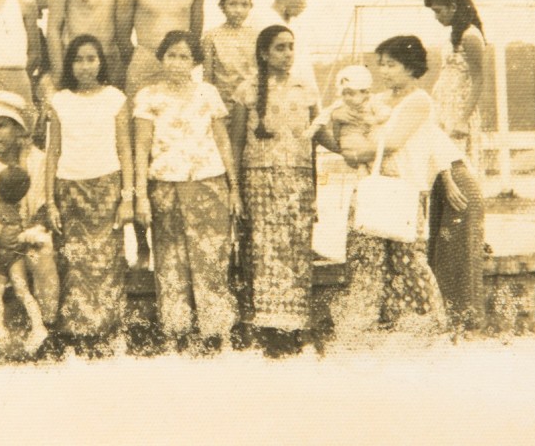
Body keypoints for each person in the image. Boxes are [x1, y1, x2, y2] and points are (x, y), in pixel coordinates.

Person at [332, 35, 456, 338]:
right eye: (381, 65)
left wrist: (360, 149)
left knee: (407, 259)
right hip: (373, 186)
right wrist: (344, 129)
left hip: (403, 188)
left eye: (392, 65)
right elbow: (346, 134)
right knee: (366, 258)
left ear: (411, 67)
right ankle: (368, 324)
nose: (384, 71)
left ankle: (422, 323)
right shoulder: (377, 100)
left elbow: (392, 142)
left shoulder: (419, 101)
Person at [133, 31, 238, 353]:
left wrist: (234, 188)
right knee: (170, 262)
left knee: (211, 260)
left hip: (208, 184)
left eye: (185, 57)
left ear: (195, 62)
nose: (178, 63)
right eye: (172, 56)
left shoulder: (207, 93)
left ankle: (216, 335)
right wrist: (139, 195)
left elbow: (222, 141)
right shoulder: (148, 95)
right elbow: (141, 146)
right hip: (165, 186)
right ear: (162, 58)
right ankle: (175, 335)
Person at [232, 25, 333, 357]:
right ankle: (265, 332)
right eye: (280, 47)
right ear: (264, 53)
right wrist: (234, 190)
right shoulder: (246, 91)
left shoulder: (306, 89)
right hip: (258, 182)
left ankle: (295, 329)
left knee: (295, 254)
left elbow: (321, 135)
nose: (288, 53)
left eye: (291, 46)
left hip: (297, 182)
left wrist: (359, 146)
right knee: (261, 254)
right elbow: (235, 145)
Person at [115, 0, 205, 269]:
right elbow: (122, 36)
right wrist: (145, 59)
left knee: (180, 143)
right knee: (143, 149)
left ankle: (177, 239)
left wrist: (178, 62)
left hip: (180, 65)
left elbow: (195, 34)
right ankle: (141, 243)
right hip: (144, 63)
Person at [45, 35, 133, 355]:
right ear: (70, 64)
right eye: (79, 60)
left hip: (107, 187)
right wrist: (50, 200)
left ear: (101, 62)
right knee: (74, 262)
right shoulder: (60, 100)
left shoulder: (115, 98)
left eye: (91, 59)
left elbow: (125, 150)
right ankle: (76, 335)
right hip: (69, 187)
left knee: (107, 262)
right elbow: (52, 152)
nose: (85, 66)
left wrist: (128, 197)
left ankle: (108, 332)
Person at [0, 91, 60, 364]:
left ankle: (47, 332)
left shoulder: (37, 160)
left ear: (18, 130)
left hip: (23, 237)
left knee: (42, 247)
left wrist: (23, 236)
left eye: (2, 125)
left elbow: (40, 211)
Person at [425, 0, 488, 330]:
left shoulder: (472, 37)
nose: (437, 17)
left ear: (453, 6)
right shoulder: (454, 36)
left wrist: (462, 117)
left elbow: (478, 80)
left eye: (439, 10)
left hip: (458, 114)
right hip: (444, 111)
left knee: (462, 176)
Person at [0, 166, 51, 355]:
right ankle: (38, 326)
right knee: (23, 292)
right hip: (17, 256)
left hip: (4, 257)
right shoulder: (16, 209)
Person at [251, 0, 321, 103]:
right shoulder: (262, 21)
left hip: (301, 99)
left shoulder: (295, 26)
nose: (305, 4)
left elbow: (305, 69)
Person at [306, 65, 388, 173]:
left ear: (365, 92)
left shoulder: (372, 102)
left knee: (372, 165)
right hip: (349, 140)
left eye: (351, 93)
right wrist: (312, 129)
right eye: (344, 93)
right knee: (362, 166)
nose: (347, 97)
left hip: (366, 142)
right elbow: (324, 115)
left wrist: (375, 119)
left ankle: (372, 175)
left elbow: (385, 112)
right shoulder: (341, 104)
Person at [201, 0, 257, 114]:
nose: (238, 10)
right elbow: (207, 77)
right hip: (223, 104)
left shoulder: (256, 35)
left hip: (250, 103)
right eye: (232, 4)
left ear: (251, 6)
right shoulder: (211, 36)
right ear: (222, 6)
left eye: (244, 5)